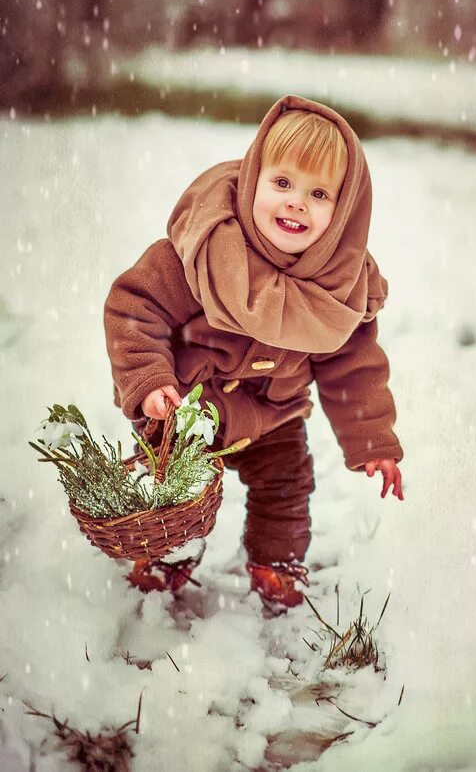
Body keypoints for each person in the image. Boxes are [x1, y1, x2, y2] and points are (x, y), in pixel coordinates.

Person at [104, 94, 404, 615]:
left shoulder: (341, 290)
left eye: (319, 193)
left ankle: (276, 563)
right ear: (252, 179)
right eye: (282, 183)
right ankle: (166, 554)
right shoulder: (202, 254)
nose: (296, 203)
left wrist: (373, 437)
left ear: (345, 210)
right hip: (187, 410)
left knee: (288, 487)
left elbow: (353, 368)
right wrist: (150, 381)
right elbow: (136, 307)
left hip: (275, 416)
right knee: (173, 487)